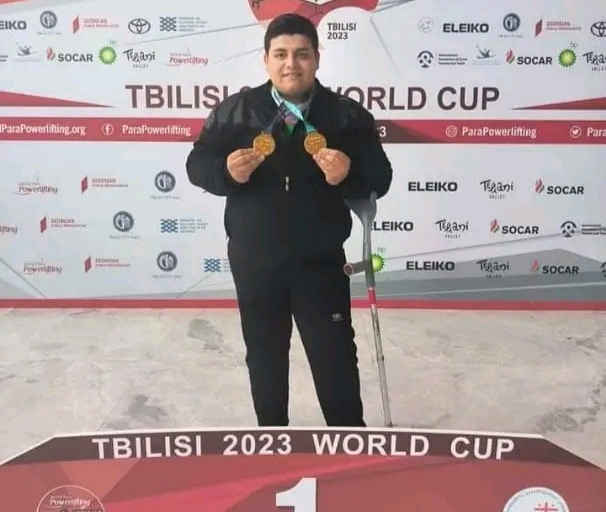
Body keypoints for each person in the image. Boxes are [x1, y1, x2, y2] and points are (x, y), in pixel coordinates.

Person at [186, 13, 393, 427]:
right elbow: (197, 165)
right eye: (280, 54)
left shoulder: (346, 115)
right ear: (265, 59)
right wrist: (226, 173)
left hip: (320, 260)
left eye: (301, 54)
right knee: (264, 355)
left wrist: (349, 174)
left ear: (317, 58)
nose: (291, 64)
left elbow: (380, 177)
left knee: (334, 355)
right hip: (255, 259)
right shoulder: (236, 112)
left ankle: (347, 442)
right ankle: (271, 443)